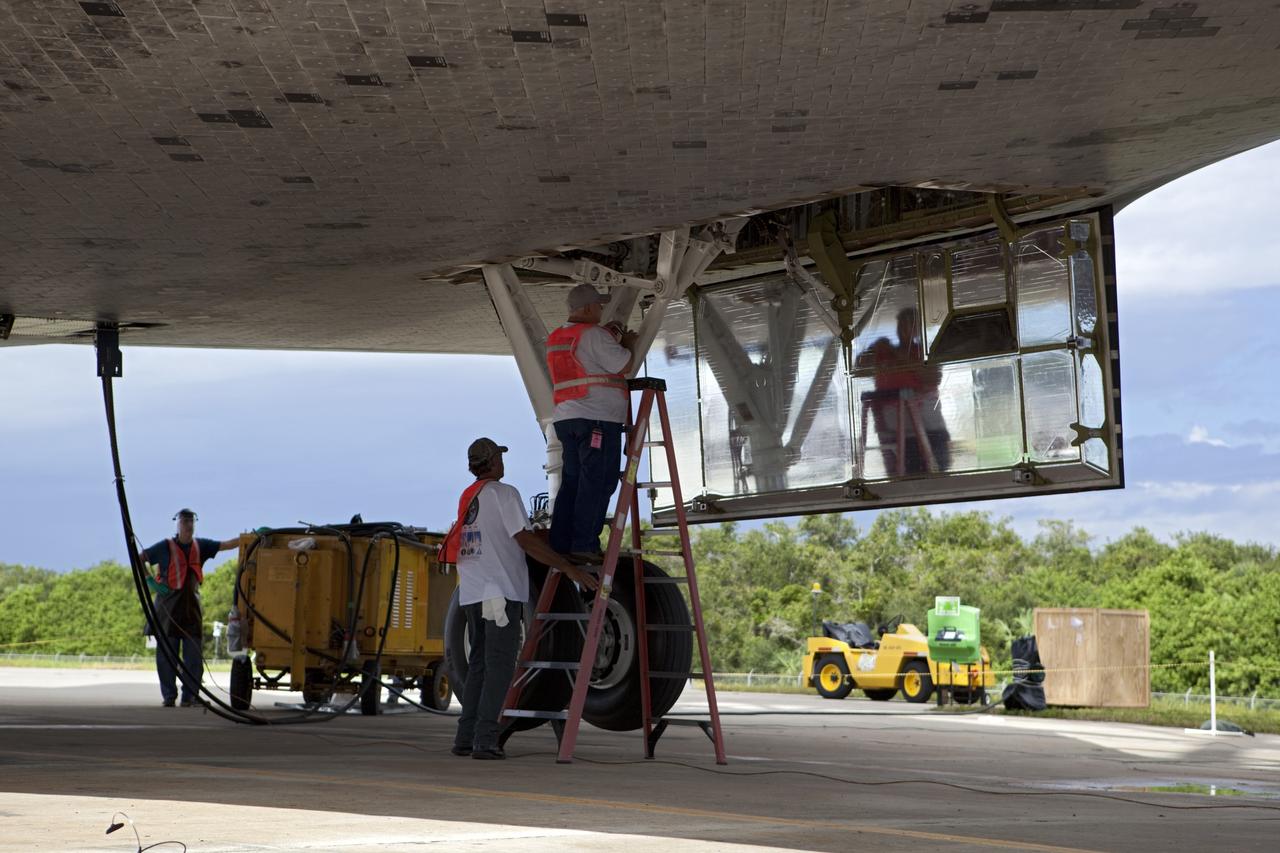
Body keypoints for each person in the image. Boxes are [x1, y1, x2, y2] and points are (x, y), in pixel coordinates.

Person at [442, 438, 598, 760]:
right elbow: (524, 539)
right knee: (499, 667)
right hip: (498, 595)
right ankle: (486, 739)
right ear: (494, 462)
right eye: (499, 456)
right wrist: (567, 566)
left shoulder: (469, 497)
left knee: (479, 667)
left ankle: (465, 736)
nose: (503, 462)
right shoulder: (504, 494)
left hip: (471, 593)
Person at [545, 283, 639, 561]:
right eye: (598, 304)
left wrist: (607, 336)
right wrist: (629, 343)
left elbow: (585, 361)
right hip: (597, 420)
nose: (600, 308)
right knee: (598, 481)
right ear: (586, 308)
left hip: (567, 419)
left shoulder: (558, 336)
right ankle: (585, 543)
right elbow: (623, 364)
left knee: (573, 481)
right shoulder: (594, 335)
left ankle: (561, 542)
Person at [140, 509, 240, 708]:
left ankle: (189, 696)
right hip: (168, 607)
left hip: (191, 606)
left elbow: (226, 545)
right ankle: (169, 695)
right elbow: (140, 558)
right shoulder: (165, 547)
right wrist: (150, 580)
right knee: (167, 655)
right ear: (177, 524)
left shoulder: (200, 545)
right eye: (184, 521)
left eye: (191, 521)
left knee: (193, 656)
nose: (188, 524)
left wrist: (249, 538)